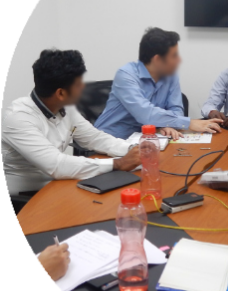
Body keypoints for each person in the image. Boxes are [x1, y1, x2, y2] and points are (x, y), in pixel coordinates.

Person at [2, 50, 141, 195]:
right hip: (26, 196)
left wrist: (135, 150)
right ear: (61, 93)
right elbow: (57, 165)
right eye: (78, 84)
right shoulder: (18, 118)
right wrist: (118, 163)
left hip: (58, 183)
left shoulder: (65, 107)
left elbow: (95, 138)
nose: (83, 87)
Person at [95, 28, 222, 139]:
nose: (179, 60)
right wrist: (189, 123)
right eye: (174, 56)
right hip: (110, 141)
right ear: (157, 59)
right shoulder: (126, 75)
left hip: (146, 141)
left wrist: (167, 124)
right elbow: (145, 114)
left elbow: (176, 109)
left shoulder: (171, 76)